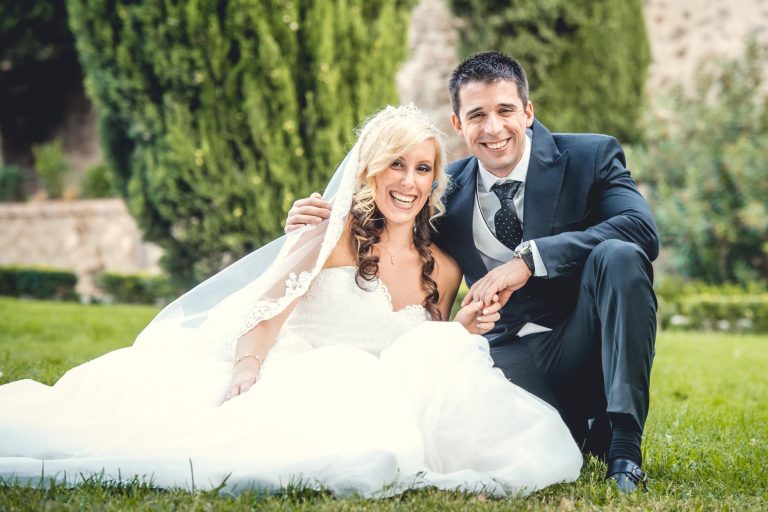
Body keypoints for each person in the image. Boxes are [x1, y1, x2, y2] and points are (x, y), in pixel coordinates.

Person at [0, 104, 582, 497]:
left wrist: (466, 326)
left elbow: (426, 356)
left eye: (423, 168)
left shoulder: (446, 269)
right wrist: (247, 372)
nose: (408, 181)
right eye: (395, 165)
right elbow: (264, 313)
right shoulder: (325, 236)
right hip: (303, 372)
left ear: (435, 180)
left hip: (378, 397)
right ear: (369, 172)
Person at [286, 52, 659, 493]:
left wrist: (529, 261)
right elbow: (389, 220)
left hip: (581, 341)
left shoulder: (590, 156)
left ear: (528, 112)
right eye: (477, 115)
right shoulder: (445, 188)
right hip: (503, 357)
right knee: (462, 427)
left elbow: (641, 230)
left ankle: (623, 446)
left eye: (505, 110)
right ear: (459, 124)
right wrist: (319, 222)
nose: (494, 128)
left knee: (619, 255)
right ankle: (579, 427)